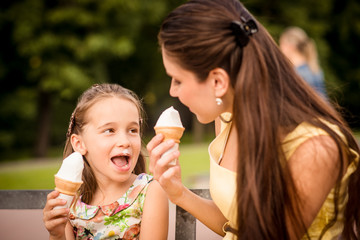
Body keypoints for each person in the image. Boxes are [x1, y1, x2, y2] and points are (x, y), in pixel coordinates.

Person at [147, 0, 360, 239]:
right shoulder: (226, 120)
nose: (172, 92)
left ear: (218, 82)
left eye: (177, 80)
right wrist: (178, 193)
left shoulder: (315, 149)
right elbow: (234, 224)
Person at [43, 83, 168, 240]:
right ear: (80, 144)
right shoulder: (70, 202)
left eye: (133, 130)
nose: (125, 141)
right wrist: (56, 234)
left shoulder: (150, 192)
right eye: (109, 130)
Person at [279, 26, 328, 98]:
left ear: (290, 46)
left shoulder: (297, 74)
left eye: (281, 44)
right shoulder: (313, 69)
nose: (280, 48)